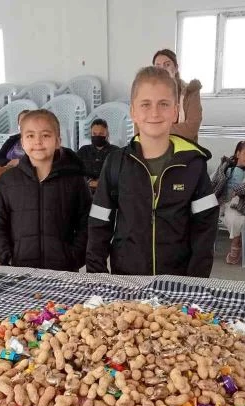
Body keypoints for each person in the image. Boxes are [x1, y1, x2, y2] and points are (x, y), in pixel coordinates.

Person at [86, 66, 218, 277]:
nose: (154, 113)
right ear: (133, 112)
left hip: (179, 281)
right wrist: (97, 276)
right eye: (145, 104)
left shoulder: (194, 165)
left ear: (175, 111)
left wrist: (196, 282)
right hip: (126, 279)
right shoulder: (115, 162)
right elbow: (99, 223)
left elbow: (205, 228)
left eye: (163, 104)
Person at [0, 109, 92, 271]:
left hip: (63, 270)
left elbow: (87, 222)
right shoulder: (8, 181)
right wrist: (7, 257)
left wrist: (74, 257)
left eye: (45, 135)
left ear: (58, 141)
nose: (38, 141)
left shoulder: (75, 180)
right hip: (19, 270)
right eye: (30, 136)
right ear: (22, 142)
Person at [211, 140, 245, 265]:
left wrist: (240, 189)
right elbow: (214, 181)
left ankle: (236, 243)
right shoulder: (226, 166)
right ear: (238, 154)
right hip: (220, 199)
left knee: (234, 219)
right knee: (206, 214)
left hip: (236, 202)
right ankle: (205, 245)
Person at [152, 49, 203, 141]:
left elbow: (191, 129)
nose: (162, 69)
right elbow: (141, 128)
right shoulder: (147, 93)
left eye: (167, 65)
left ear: (175, 68)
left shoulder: (191, 90)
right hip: (155, 148)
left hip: (185, 150)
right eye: (158, 66)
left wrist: (158, 129)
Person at [76, 118, 118, 193]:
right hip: (85, 192)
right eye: (94, 134)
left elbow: (119, 176)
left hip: (108, 193)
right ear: (91, 134)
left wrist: (101, 183)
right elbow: (75, 171)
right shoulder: (83, 151)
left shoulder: (115, 152)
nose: (97, 136)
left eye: (101, 134)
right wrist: (89, 182)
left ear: (107, 134)